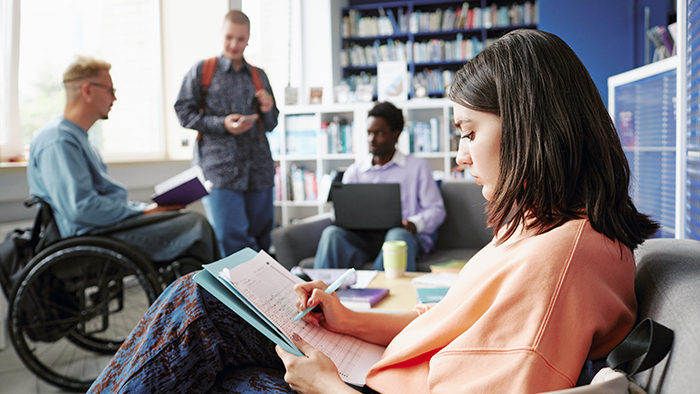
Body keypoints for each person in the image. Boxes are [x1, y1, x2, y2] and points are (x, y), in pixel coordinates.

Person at [87, 29, 659, 394]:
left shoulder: (558, 263)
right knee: (209, 315)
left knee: (199, 309)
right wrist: (349, 320)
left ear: (530, 130)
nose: (460, 158)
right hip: (380, 371)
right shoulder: (548, 228)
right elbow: (455, 332)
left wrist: (328, 387)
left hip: (362, 388)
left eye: (467, 133)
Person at [27, 55, 218, 269]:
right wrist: (143, 212)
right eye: (110, 90)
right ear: (88, 90)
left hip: (104, 229)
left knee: (185, 220)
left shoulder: (76, 136)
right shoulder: (58, 140)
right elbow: (82, 209)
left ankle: (194, 298)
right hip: (88, 236)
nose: (114, 99)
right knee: (195, 227)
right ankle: (203, 301)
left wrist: (147, 209)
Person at [174, 10, 279, 257]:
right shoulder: (202, 71)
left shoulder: (258, 75)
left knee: (262, 240)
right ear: (221, 35)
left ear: (248, 39)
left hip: (259, 170)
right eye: (229, 37)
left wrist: (268, 109)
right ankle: (235, 295)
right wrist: (223, 124)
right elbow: (183, 112)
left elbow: (272, 124)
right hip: (219, 171)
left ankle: (264, 295)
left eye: (241, 39)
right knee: (232, 240)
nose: (234, 44)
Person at [314, 101, 446, 272]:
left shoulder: (418, 167)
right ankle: (317, 295)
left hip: (403, 238)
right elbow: (343, 213)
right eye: (369, 133)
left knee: (397, 236)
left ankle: (383, 295)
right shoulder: (355, 172)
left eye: (379, 133)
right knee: (331, 234)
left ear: (396, 135)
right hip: (364, 240)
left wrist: (413, 224)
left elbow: (436, 210)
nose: (371, 139)